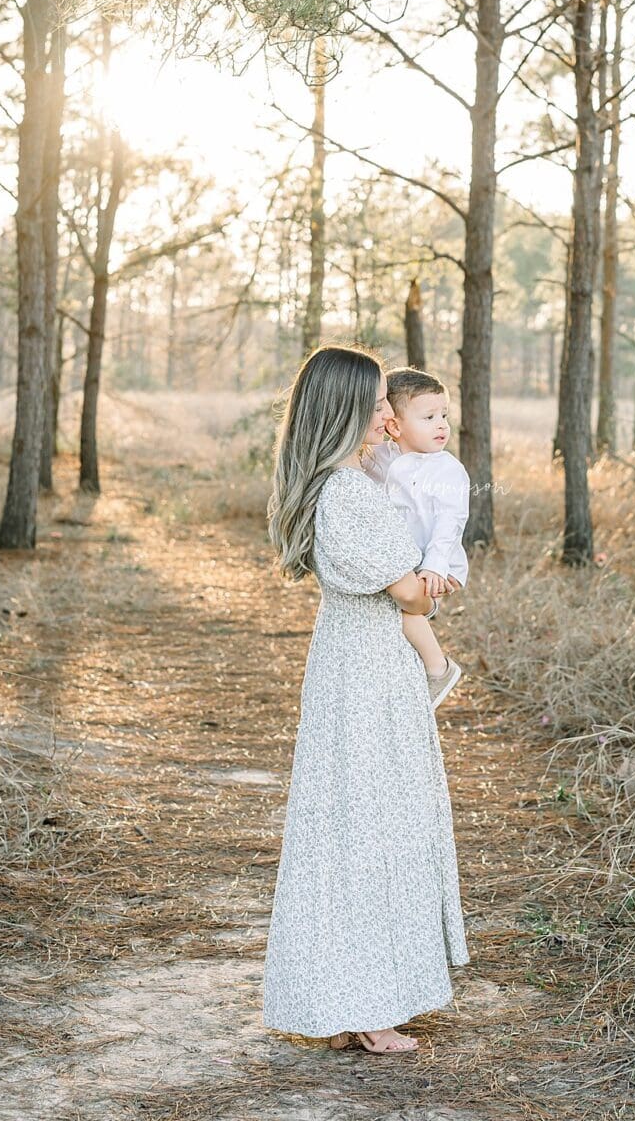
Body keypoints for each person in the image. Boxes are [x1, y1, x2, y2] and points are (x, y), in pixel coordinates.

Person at [262, 345, 469, 1055]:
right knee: (367, 830)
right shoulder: (347, 492)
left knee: (363, 826)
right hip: (364, 676)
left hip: (362, 667)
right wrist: (424, 580)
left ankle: (364, 994)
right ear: (347, 408)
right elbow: (409, 590)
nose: (389, 412)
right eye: (379, 401)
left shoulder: (353, 481)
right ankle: (364, 1002)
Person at [363, 367, 468, 709]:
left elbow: (450, 523)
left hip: (438, 562)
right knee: (388, 603)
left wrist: (436, 566)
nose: (442, 425)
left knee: (405, 604)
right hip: (408, 559)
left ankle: (439, 667)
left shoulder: (446, 469)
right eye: (429, 417)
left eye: (444, 415)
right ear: (394, 426)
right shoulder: (382, 457)